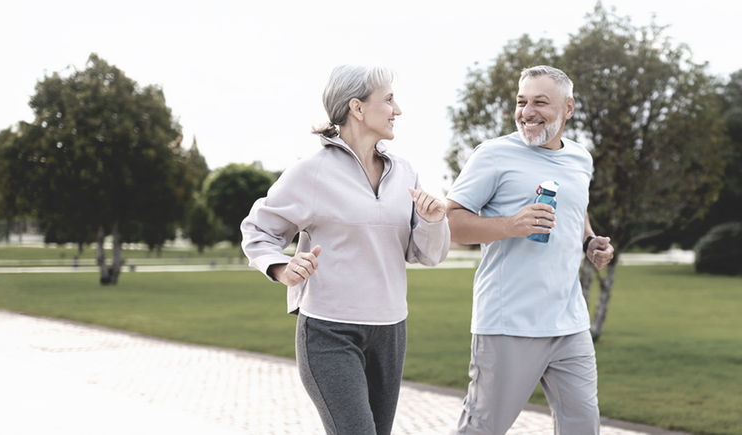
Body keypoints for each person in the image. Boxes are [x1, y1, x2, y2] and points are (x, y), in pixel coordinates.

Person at [240, 64, 450, 435]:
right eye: (388, 99)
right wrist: (281, 268)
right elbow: (258, 229)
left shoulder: (405, 173)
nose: (398, 110)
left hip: (391, 331)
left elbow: (427, 255)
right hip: (330, 332)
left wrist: (433, 222)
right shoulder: (311, 172)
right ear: (357, 107)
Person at [445, 65, 615, 435]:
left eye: (540, 102)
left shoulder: (580, 158)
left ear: (568, 108)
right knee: (483, 428)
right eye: (522, 102)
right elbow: (450, 221)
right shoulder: (493, 155)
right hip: (509, 322)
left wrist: (589, 242)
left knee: (583, 426)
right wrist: (510, 225)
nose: (527, 112)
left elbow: (575, 208)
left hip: (569, 322)